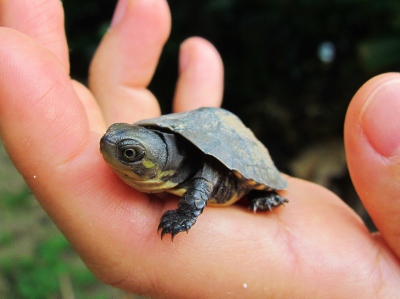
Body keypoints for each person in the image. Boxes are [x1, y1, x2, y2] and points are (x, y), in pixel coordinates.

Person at [0, 0, 399, 297]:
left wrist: (188, 212)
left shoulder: (196, 170)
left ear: (155, 163)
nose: (112, 146)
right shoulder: (153, 144)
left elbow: (208, 172)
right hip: (183, 132)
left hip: (232, 162)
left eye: (129, 154)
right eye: (125, 146)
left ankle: (268, 193)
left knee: (246, 187)